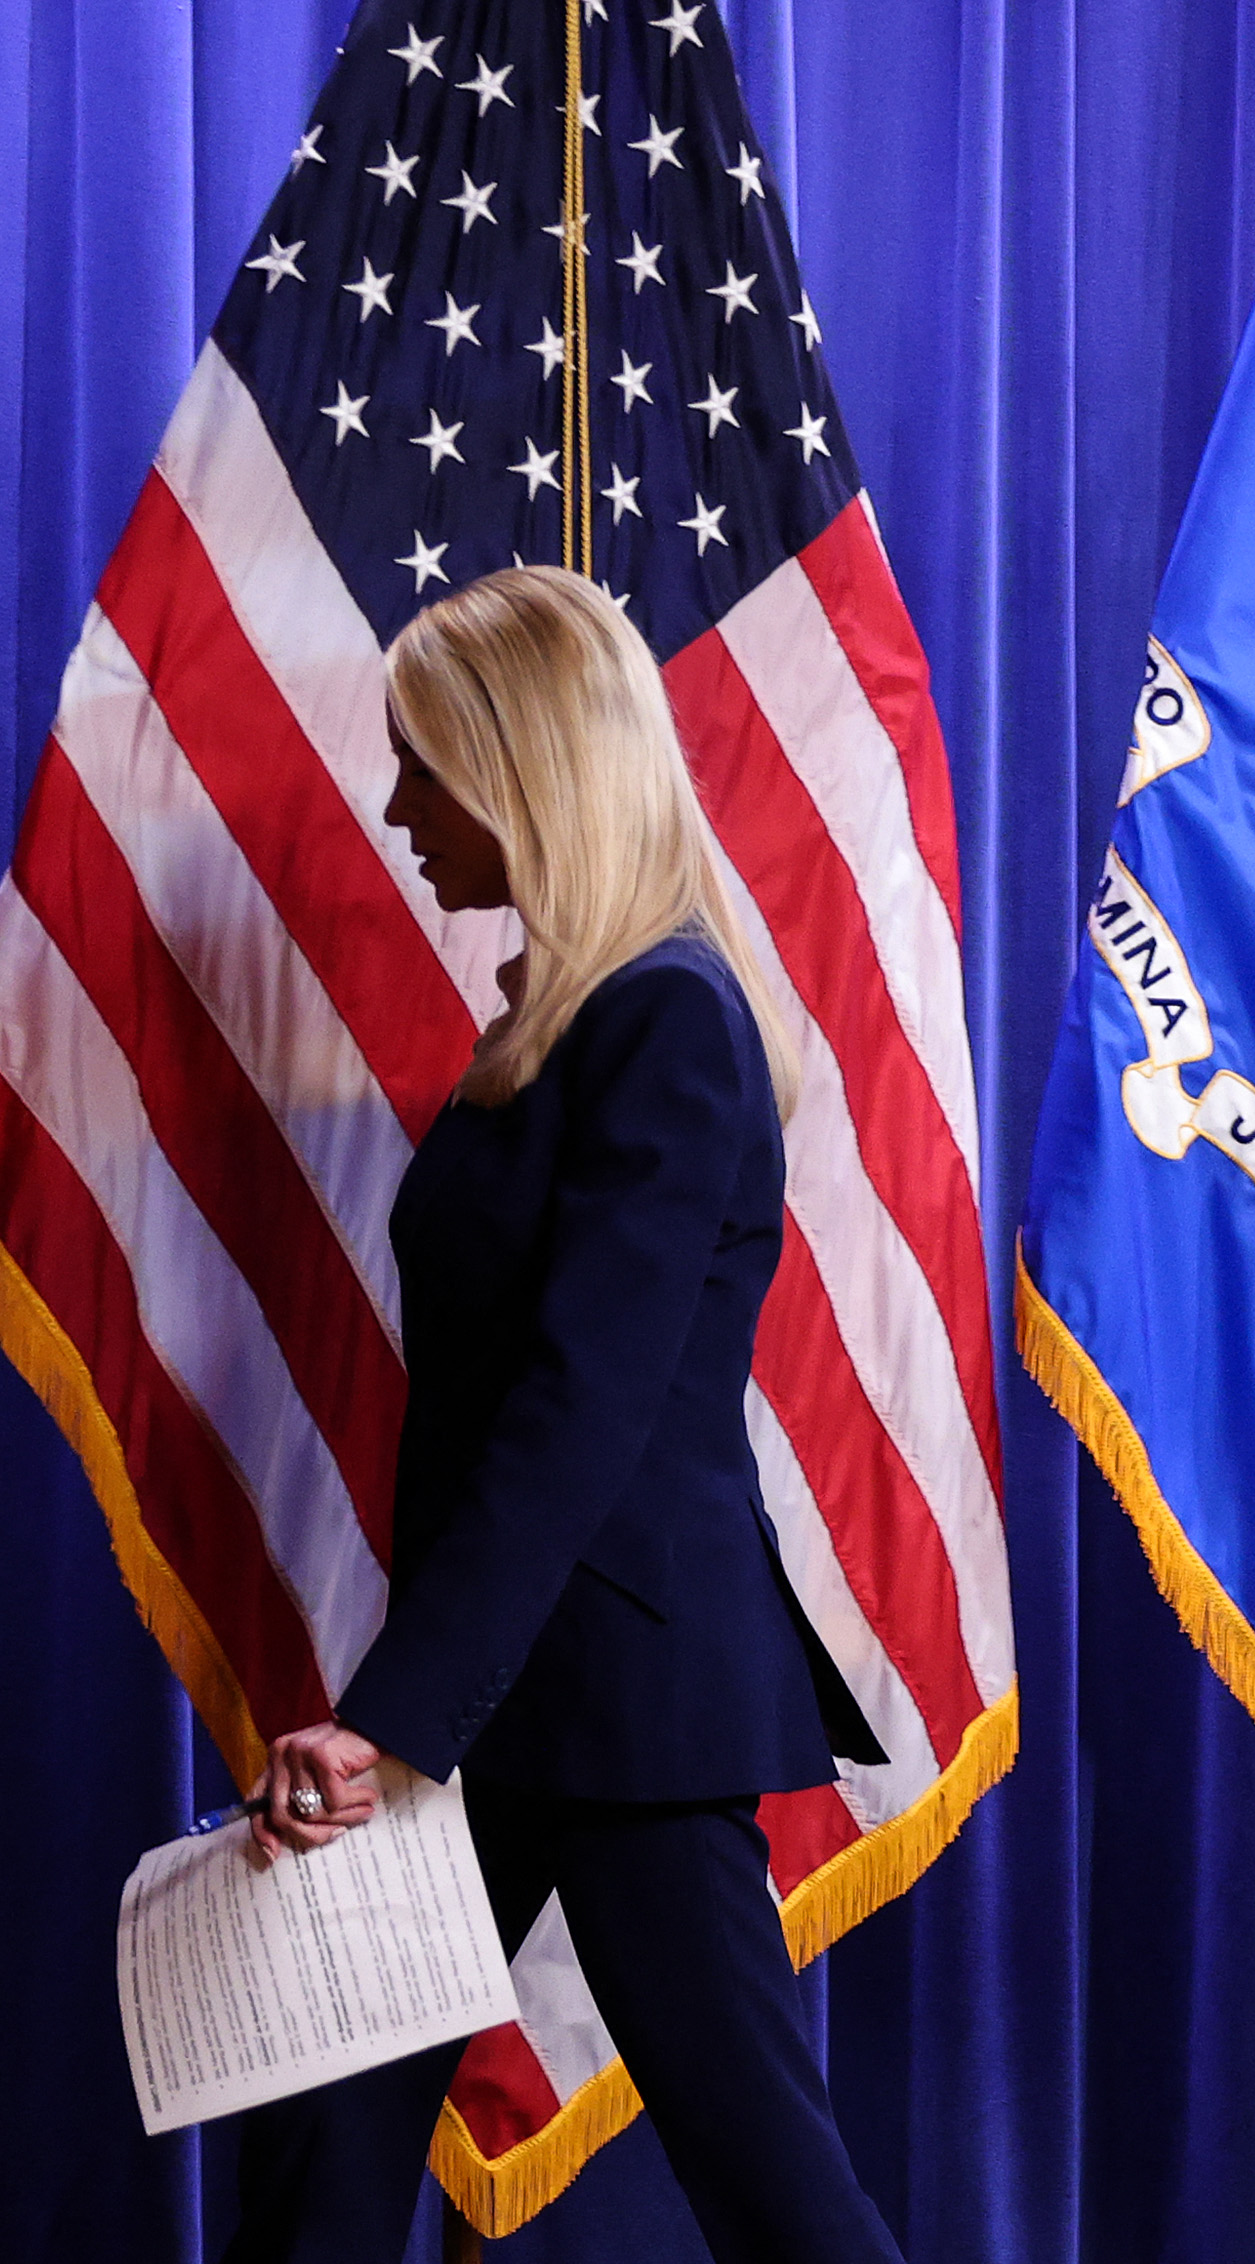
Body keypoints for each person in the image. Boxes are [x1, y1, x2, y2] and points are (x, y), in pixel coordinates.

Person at [222, 566, 903, 2264]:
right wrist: (420, 1710)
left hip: (622, 1717)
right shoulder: (564, 1011)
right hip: (507, 1693)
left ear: (523, 768)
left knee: (779, 2197)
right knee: (326, 2149)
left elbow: (582, 1413)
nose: (394, 808)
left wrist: (391, 1722)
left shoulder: (664, 1020)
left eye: (422, 765)